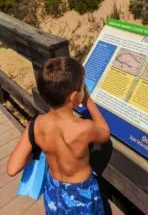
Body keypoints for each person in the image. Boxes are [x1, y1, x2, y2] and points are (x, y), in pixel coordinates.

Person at [7, 57, 110, 214]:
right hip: (81, 194)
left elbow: (12, 168)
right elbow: (104, 133)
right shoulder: (84, 128)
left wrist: (41, 147)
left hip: (54, 192)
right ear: (74, 97)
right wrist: (88, 101)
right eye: (82, 88)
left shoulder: (36, 124)